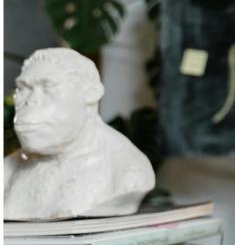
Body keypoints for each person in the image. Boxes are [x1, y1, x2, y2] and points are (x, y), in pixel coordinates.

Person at [5, 48, 155, 220]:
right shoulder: (8, 168)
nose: (30, 101)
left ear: (91, 93)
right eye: (23, 88)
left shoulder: (127, 172)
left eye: (47, 87)